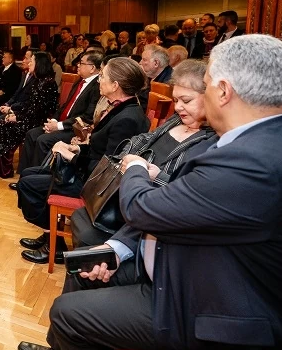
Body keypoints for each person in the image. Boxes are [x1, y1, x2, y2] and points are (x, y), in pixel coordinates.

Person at [19, 35, 282, 350]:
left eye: (206, 86)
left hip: (230, 323)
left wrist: (136, 168)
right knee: (85, 270)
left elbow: (143, 208)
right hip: (203, 279)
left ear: (223, 91)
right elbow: (182, 210)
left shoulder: (254, 162)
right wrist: (118, 249)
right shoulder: (274, 139)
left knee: (68, 314)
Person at [69, 59, 217, 249]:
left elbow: (189, 192)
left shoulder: (211, 140)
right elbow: (143, 139)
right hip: (129, 195)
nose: (178, 107)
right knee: (82, 218)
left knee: (87, 234)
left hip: (154, 216)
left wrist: (156, 176)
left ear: (210, 97)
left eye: (186, 101)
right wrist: (128, 159)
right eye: (176, 101)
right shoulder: (176, 120)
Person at [15, 58, 149, 264]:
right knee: (28, 174)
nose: (99, 80)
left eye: (103, 76)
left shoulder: (127, 118)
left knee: (28, 184)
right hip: (89, 173)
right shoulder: (122, 108)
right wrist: (77, 148)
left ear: (115, 85)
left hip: (95, 187)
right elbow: (101, 151)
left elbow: (109, 170)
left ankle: (54, 244)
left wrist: (73, 156)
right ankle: (49, 234)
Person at [14, 51, 103, 177]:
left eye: (81, 63)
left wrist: (59, 126)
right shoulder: (79, 81)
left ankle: (38, 179)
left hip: (74, 129)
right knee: (31, 134)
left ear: (92, 68)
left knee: (43, 140)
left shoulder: (97, 87)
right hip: (62, 123)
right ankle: (25, 177)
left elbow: (88, 117)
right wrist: (54, 121)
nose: (77, 65)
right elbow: (64, 106)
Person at [0, 52, 59, 178]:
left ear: (39, 64)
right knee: (2, 123)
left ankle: (5, 169)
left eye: (32, 61)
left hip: (38, 121)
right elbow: (29, 105)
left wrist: (18, 117)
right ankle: (0, 168)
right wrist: (14, 113)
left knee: (5, 125)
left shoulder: (48, 83)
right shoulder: (38, 81)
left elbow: (39, 111)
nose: (29, 63)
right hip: (29, 116)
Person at [0, 51, 34, 155]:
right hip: (13, 105)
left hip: (21, 110)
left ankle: (1, 152)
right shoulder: (25, 74)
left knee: (0, 118)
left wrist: (11, 107)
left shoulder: (34, 78)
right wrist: (8, 104)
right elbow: (16, 93)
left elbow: (27, 101)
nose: (23, 61)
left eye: (26, 58)